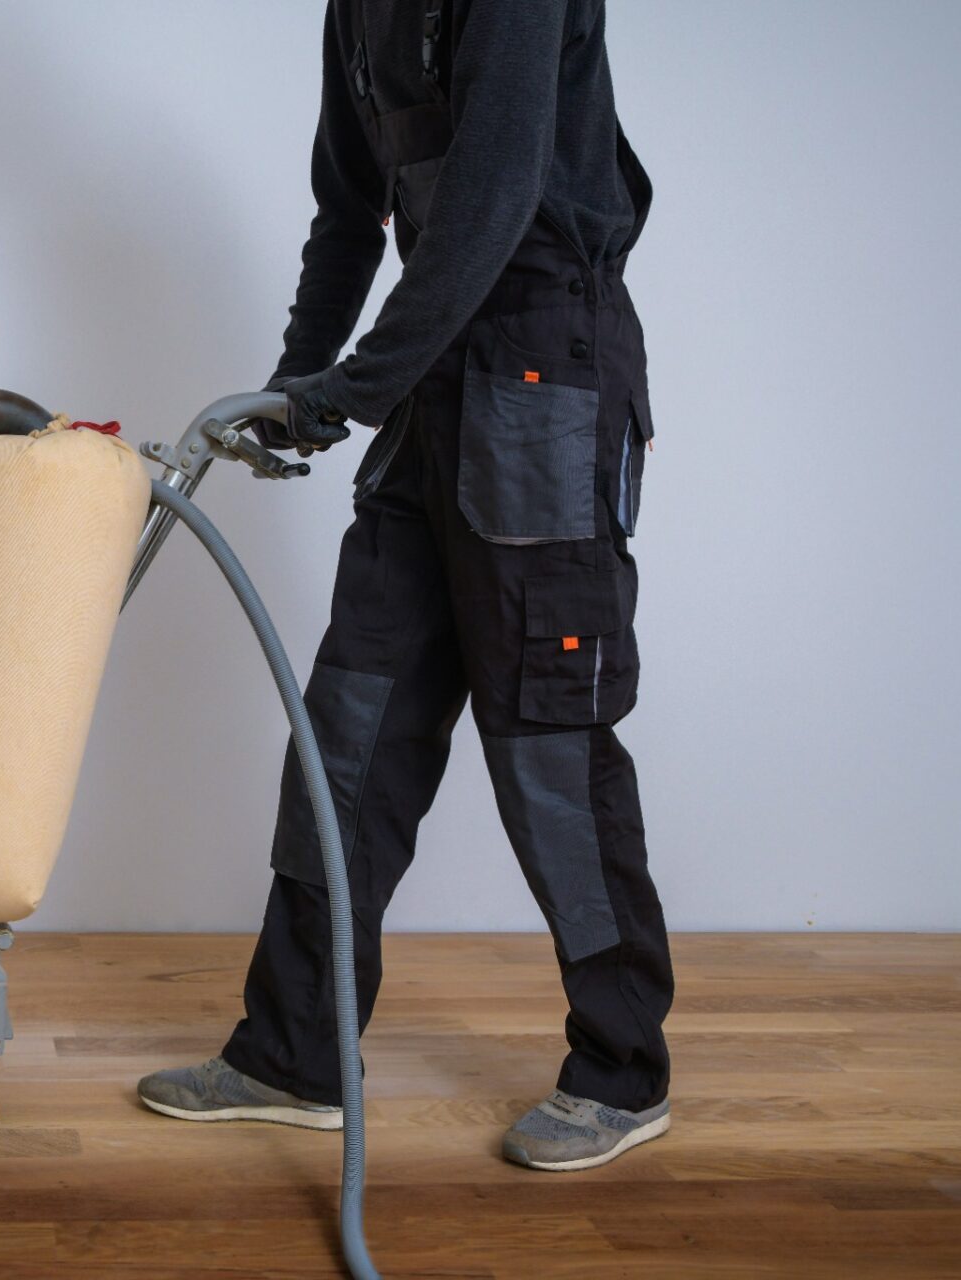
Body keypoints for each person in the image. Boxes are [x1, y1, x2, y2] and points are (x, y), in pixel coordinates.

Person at [138, 0, 674, 1172]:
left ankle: (622, 1068)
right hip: (431, 382)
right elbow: (350, 211)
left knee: (548, 742)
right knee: (351, 732)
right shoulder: (357, 8)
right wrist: (296, 384)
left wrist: (350, 390)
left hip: (542, 370)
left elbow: (491, 202)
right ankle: (293, 1054)